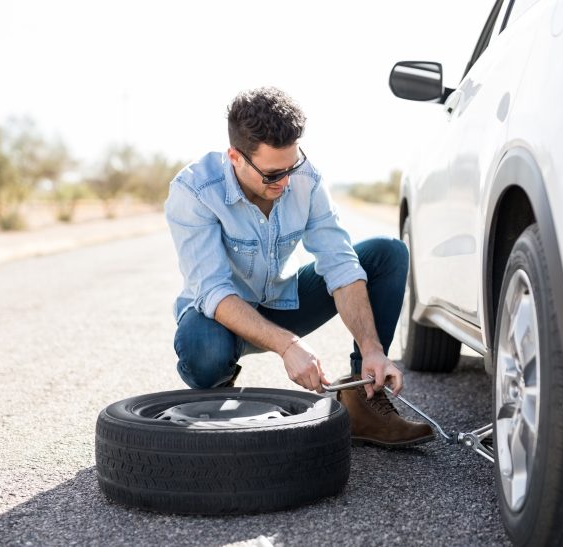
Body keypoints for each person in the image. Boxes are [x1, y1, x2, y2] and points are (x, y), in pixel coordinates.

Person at [164, 86, 434, 448]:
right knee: (204, 349)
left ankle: (363, 401)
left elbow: (339, 264)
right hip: (220, 320)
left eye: (291, 167)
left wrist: (372, 348)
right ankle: (216, 400)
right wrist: (288, 346)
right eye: (274, 174)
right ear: (235, 157)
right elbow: (214, 292)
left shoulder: (305, 179)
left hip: (283, 300)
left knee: (388, 253)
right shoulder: (194, 190)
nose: (286, 182)